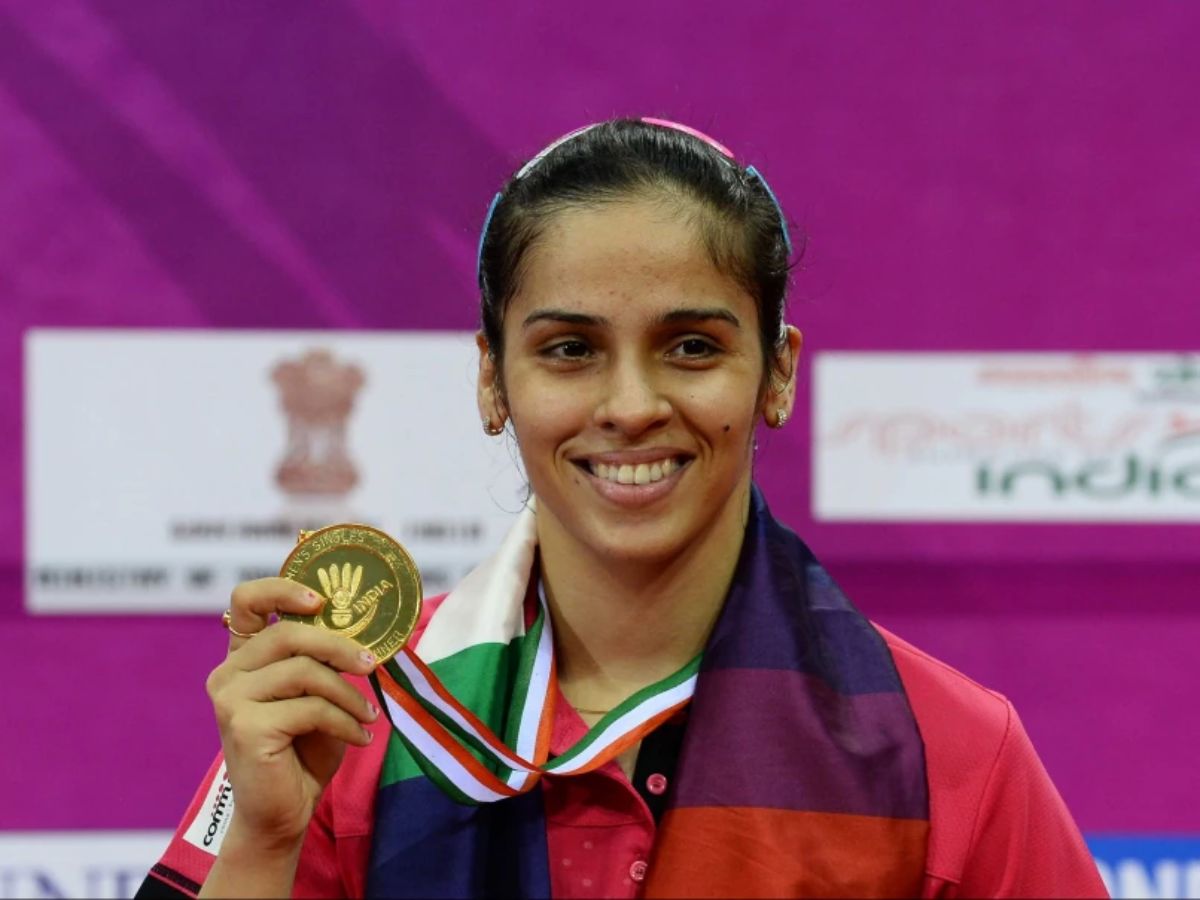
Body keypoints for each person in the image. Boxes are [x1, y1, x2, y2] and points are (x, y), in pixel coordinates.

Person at [138, 118, 1107, 899]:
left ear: (776, 373)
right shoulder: (353, 719)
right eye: (569, 349)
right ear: (492, 379)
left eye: (692, 346)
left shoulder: (944, 752)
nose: (633, 405)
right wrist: (265, 842)